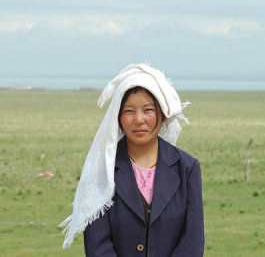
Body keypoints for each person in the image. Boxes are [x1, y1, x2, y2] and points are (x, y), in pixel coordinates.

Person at [60, 64, 204, 257]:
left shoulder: (187, 168)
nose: (139, 119)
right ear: (118, 118)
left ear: (161, 115)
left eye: (148, 110)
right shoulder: (102, 170)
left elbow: (192, 242)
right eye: (129, 111)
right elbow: (97, 246)